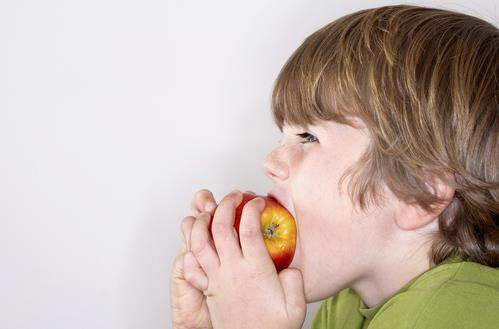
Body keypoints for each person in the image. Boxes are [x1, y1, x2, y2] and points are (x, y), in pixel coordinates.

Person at [170, 4, 499, 329]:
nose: (269, 162)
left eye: (308, 137)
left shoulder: (448, 313)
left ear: (418, 191)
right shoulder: (347, 303)